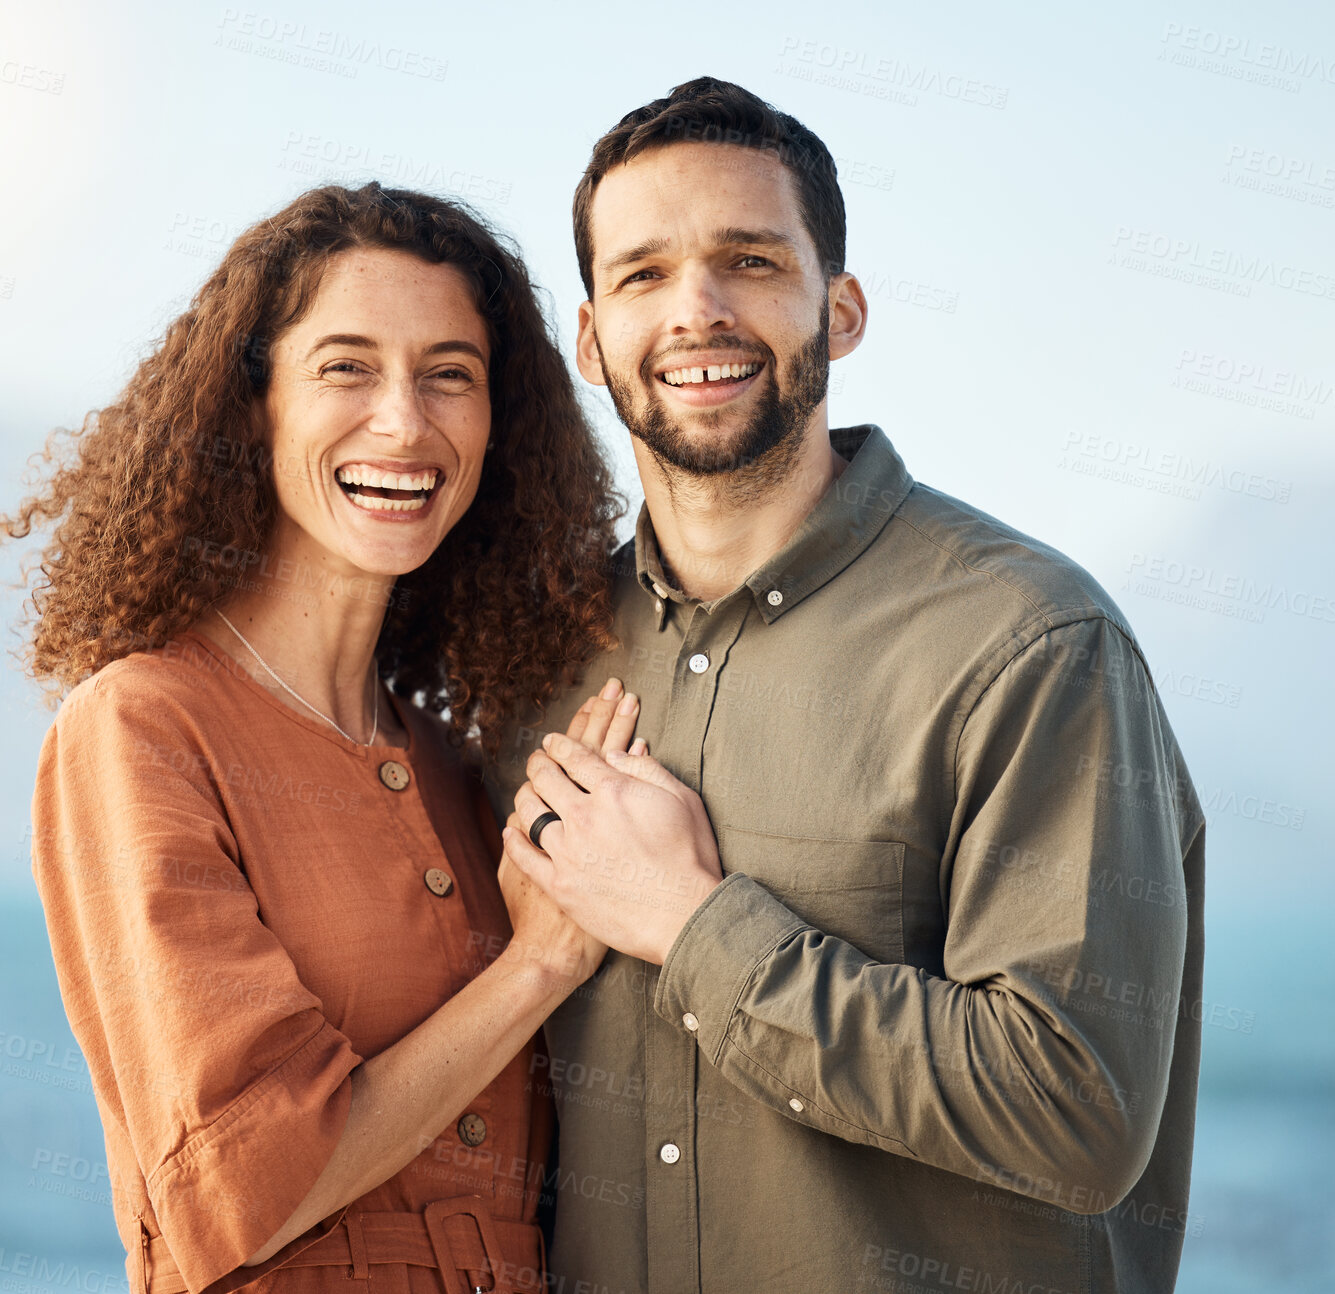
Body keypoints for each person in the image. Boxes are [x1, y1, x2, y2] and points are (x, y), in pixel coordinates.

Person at [488, 78, 1206, 1293]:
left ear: (843, 306)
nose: (697, 311)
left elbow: (1074, 1109)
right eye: (643, 274)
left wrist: (690, 925)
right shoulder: (533, 664)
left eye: (750, 261)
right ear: (587, 337)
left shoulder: (1026, 641)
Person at [0, 182, 637, 1294]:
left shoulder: (454, 761)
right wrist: (538, 964)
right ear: (254, 404)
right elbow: (248, 1190)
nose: (405, 421)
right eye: (347, 366)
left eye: (448, 375)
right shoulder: (143, 728)